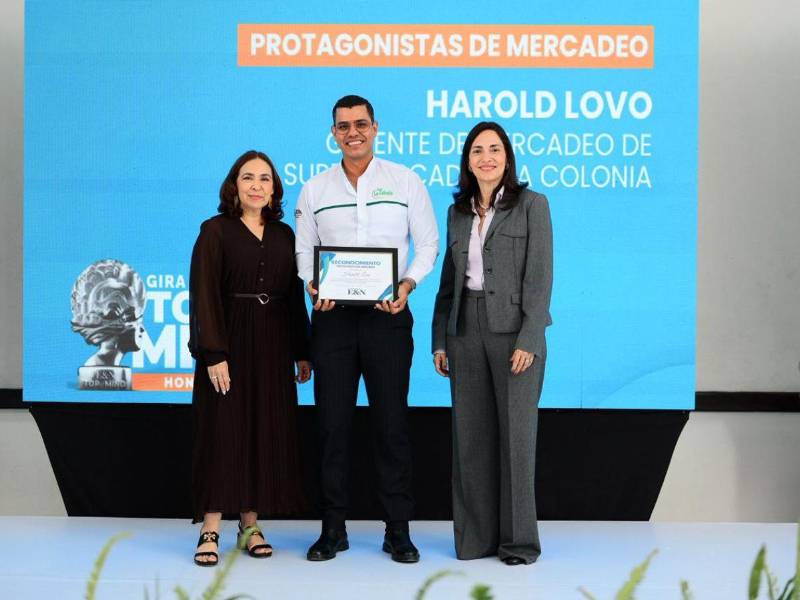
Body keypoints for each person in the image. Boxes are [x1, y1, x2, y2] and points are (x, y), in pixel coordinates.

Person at [294, 95, 439, 563]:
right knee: (332, 426)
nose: (352, 132)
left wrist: (409, 283)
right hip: (332, 319)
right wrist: (313, 282)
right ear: (332, 133)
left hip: (388, 318)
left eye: (360, 124)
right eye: (343, 126)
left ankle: (397, 529)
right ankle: (332, 528)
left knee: (391, 425)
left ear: (376, 127)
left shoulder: (405, 180)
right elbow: (303, 251)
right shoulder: (314, 188)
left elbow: (429, 243)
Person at [431, 121, 553, 566]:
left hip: (513, 333)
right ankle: (475, 539)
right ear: (467, 160)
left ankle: (519, 543)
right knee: (471, 440)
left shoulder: (532, 205)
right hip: (465, 330)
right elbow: (449, 282)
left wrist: (530, 337)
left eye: (495, 149)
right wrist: (440, 339)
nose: (486, 157)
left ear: (507, 157)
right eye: (478, 150)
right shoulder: (457, 213)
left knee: (516, 440)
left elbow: (540, 279)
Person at [188, 150, 311, 567]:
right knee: (223, 431)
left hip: (274, 344)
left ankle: (250, 525)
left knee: (261, 431)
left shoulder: (284, 236)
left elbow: (294, 297)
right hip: (229, 343)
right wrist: (214, 353)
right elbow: (203, 296)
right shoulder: (215, 232)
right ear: (234, 186)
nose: (257, 185)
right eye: (248, 178)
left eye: (264, 178)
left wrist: (302, 351)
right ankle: (210, 528)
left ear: (274, 187)